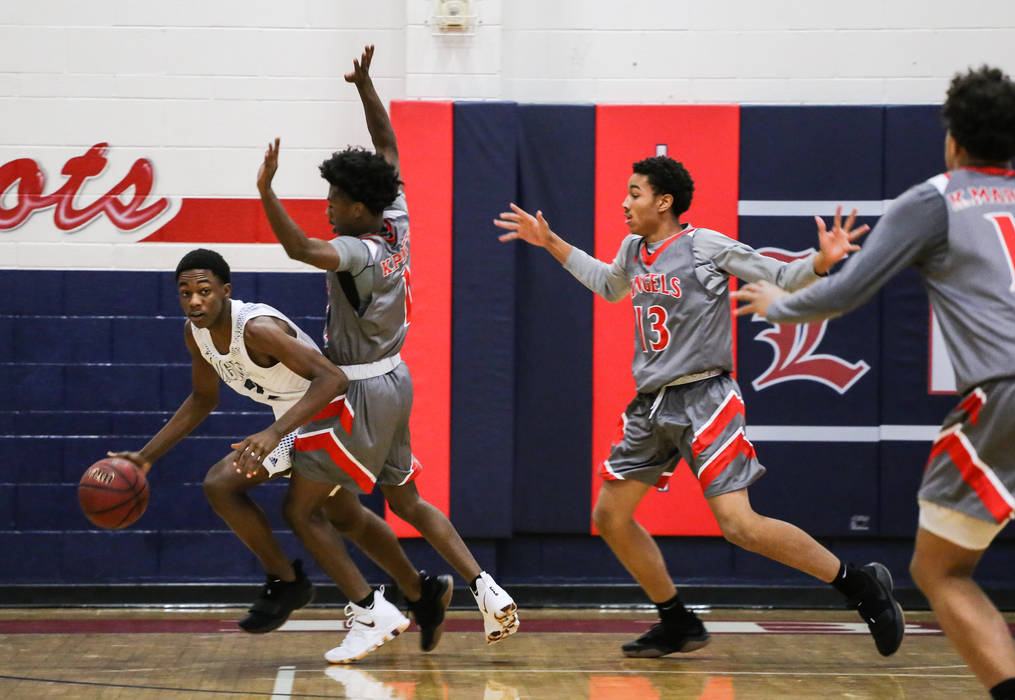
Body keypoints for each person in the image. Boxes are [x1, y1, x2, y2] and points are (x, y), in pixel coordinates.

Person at [494, 155, 904, 659]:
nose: (624, 203)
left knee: (739, 526)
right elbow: (608, 286)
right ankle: (678, 621)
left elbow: (778, 272)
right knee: (611, 516)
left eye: (635, 193)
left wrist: (821, 262)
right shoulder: (633, 249)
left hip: (706, 397)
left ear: (663, 202)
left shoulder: (703, 245)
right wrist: (550, 242)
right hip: (652, 403)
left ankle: (858, 584)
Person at [733, 66, 1015, 700]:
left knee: (941, 571)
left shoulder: (936, 198)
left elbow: (847, 292)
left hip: (1012, 391)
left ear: (953, 136)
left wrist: (777, 302)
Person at [255, 44, 519, 662]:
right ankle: (486, 585)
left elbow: (299, 249)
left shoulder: (358, 251)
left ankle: (369, 613)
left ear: (356, 207)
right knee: (404, 500)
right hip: (395, 378)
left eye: (334, 198)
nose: (327, 205)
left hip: (361, 392)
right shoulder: (394, 214)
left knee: (302, 507)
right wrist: (366, 87)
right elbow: (387, 146)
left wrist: (266, 192)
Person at [111, 248, 450, 647]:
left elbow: (332, 379)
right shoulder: (196, 333)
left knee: (222, 483)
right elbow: (203, 399)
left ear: (225, 291)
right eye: (185, 293)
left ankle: (302, 586)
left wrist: (274, 434)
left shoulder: (257, 329)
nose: (194, 300)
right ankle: (422, 592)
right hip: (299, 419)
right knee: (345, 517)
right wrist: (146, 456)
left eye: (204, 290)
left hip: (333, 413)